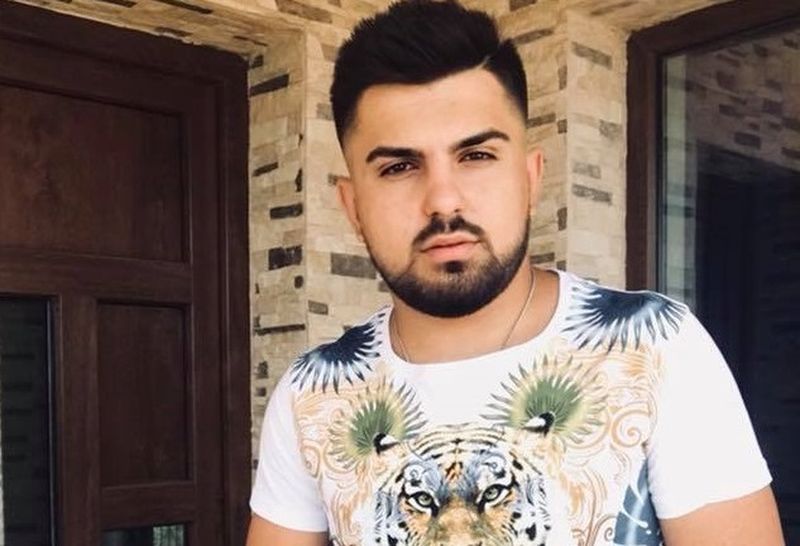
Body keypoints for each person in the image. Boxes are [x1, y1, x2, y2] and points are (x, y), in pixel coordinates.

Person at [246, 1, 785, 544]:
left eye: (476, 155)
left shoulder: (655, 347)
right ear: (352, 206)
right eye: (399, 166)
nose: (443, 200)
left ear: (530, 179)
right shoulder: (310, 394)